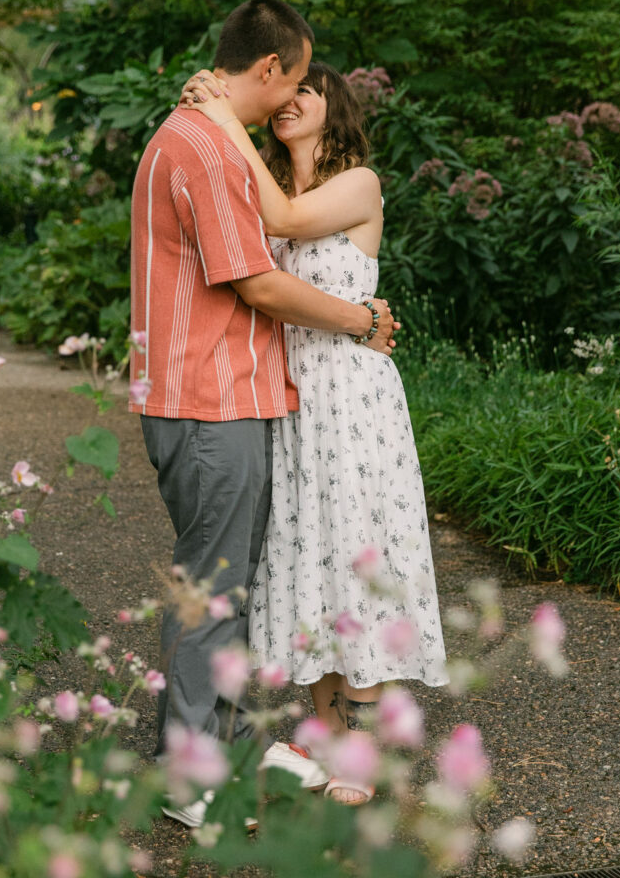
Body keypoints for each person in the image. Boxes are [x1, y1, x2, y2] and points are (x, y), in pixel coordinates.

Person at [129, 0, 397, 827]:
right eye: (295, 73)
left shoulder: (205, 139)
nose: (294, 95)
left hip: (225, 395)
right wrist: (361, 318)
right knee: (213, 589)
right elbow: (257, 281)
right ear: (273, 69)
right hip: (209, 399)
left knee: (229, 584)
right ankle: (191, 778)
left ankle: (233, 739)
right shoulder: (210, 148)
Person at [180, 60, 449, 807]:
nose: (290, 101)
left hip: (353, 399)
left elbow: (288, 226)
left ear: (336, 106)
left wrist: (226, 116)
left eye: (307, 90)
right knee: (318, 558)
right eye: (284, 91)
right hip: (294, 400)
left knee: (360, 551)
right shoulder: (275, 186)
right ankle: (327, 741)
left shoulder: (356, 182)